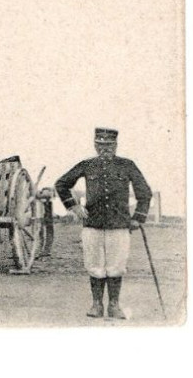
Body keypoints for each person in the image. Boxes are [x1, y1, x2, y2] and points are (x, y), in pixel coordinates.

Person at [54, 127, 153, 320]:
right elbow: (61, 184)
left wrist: (138, 218)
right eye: (100, 145)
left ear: (115, 145)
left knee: (116, 265)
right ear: (95, 145)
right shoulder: (87, 165)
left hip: (119, 225)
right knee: (95, 265)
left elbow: (145, 193)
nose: (104, 149)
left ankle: (114, 306)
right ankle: (97, 305)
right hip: (93, 224)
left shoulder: (127, 165)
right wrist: (74, 207)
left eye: (108, 145)